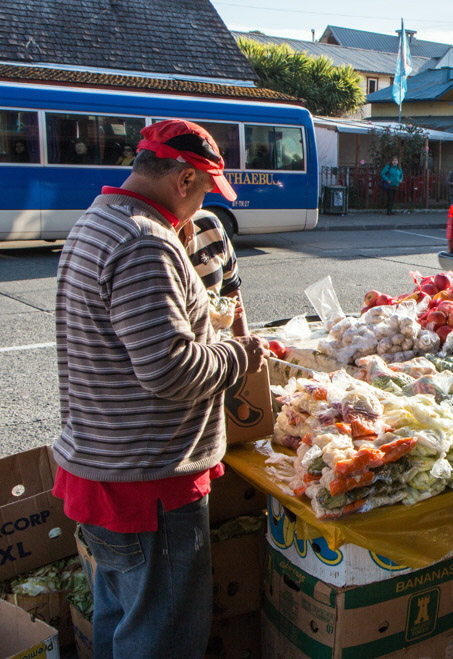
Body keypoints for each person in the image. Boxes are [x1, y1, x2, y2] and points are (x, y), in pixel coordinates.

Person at [52, 119, 268, 658]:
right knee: (161, 639)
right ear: (184, 179)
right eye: (205, 191)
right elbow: (171, 371)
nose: (203, 206)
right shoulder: (145, 242)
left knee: (121, 620)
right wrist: (240, 354)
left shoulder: (97, 220)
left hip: (106, 468)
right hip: (146, 486)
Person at [181, 209, 248, 335]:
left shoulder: (209, 224)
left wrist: (244, 340)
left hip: (213, 345)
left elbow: (230, 284)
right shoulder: (147, 239)